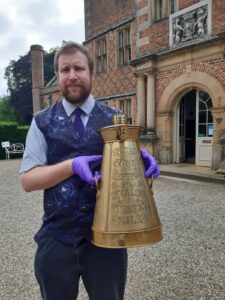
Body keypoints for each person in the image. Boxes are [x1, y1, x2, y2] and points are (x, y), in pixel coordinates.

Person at [20, 41, 160, 300]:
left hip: (107, 240)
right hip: (56, 238)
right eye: (65, 70)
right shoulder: (42, 122)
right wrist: (71, 166)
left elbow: (126, 173)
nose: (72, 75)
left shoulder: (115, 118)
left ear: (91, 73)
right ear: (59, 76)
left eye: (79, 68)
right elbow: (28, 180)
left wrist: (139, 160)